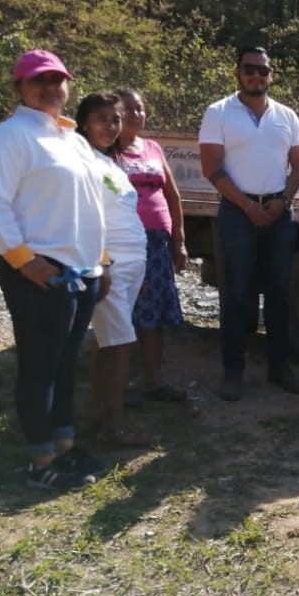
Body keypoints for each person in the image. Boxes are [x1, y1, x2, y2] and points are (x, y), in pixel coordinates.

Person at [0, 49, 110, 490]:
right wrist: (22, 260)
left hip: (81, 272)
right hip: (41, 272)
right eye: (39, 81)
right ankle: (40, 462)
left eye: (58, 80)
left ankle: (65, 447)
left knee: (65, 365)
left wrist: (100, 261)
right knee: (40, 367)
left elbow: (89, 206)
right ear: (19, 88)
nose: (51, 88)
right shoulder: (10, 136)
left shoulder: (71, 139)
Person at [198, 46, 299, 402]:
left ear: (271, 75)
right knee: (237, 293)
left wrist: (282, 203)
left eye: (262, 70)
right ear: (237, 72)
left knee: (279, 293)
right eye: (249, 69)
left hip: (278, 213)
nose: (256, 75)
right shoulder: (218, 112)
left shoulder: (287, 115)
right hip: (236, 213)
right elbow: (212, 169)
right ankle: (233, 372)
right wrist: (247, 206)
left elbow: (297, 168)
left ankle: (279, 368)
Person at [76, 92, 152, 448]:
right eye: (101, 119)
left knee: (109, 342)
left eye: (115, 120)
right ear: (84, 122)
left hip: (132, 264)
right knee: (121, 342)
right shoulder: (81, 161)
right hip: (108, 266)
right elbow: (86, 218)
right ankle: (115, 425)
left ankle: (97, 412)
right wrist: (101, 262)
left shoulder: (109, 162)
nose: (110, 126)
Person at [115, 88, 188, 405]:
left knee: (153, 316)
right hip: (124, 244)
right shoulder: (105, 152)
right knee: (125, 314)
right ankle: (119, 385)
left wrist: (179, 241)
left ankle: (154, 383)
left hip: (157, 244)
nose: (135, 114)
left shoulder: (153, 148)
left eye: (140, 108)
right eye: (128, 109)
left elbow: (172, 196)